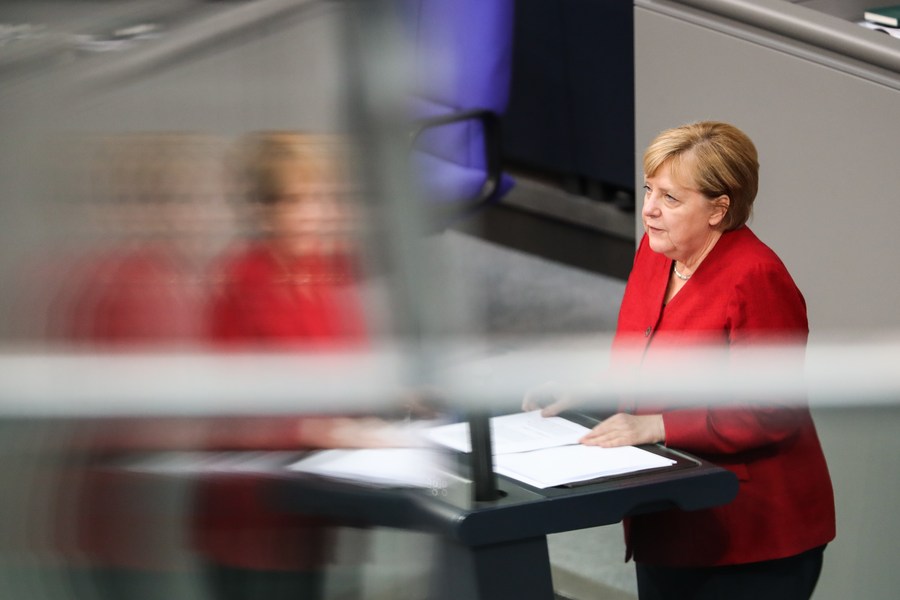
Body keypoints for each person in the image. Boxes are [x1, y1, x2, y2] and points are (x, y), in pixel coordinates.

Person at [528, 122, 835, 600]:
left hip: (750, 536)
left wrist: (656, 425)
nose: (649, 209)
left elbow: (771, 411)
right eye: (649, 189)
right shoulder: (657, 252)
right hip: (667, 518)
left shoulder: (756, 278)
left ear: (719, 208)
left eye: (670, 198)